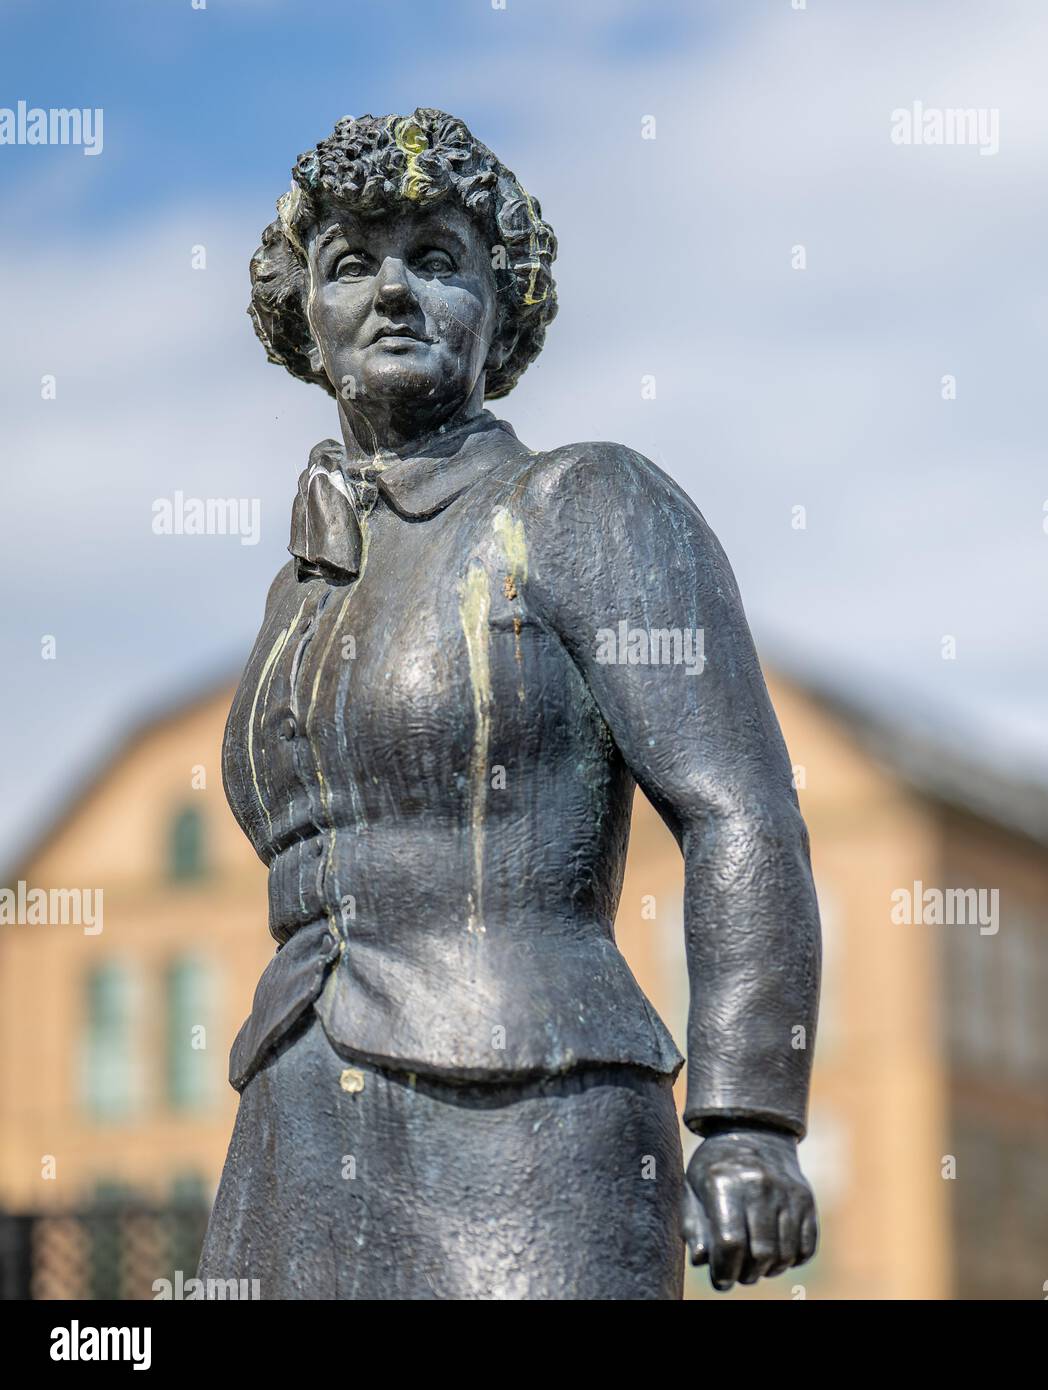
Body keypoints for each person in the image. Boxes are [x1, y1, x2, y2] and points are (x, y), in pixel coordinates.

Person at [198, 109, 822, 1299]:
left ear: (502, 306)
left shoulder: (587, 503)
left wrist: (749, 1119)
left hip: (528, 1114)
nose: (392, 292)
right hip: (292, 1125)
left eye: (436, 259)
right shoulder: (296, 591)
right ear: (303, 322)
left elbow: (738, 807)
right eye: (351, 266)